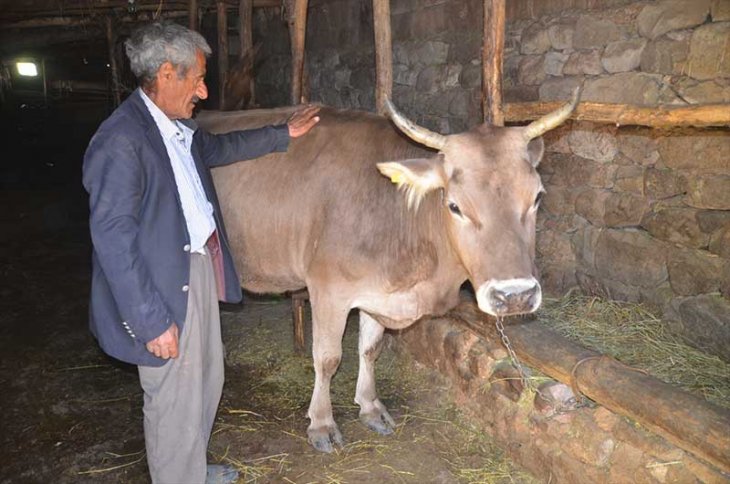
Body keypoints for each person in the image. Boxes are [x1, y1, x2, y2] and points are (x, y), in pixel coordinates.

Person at [82, 21, 319, 484]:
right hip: (161, 280)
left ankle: (189, 468)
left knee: (206, 378)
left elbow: (220, 146)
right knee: (172, 394)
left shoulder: (173, 127)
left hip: (195, 268)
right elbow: (113, 240)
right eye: (197, 79)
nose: (205, 91)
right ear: (167, 73)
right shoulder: (121, 140)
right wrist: (150, 320)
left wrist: (281, 135)